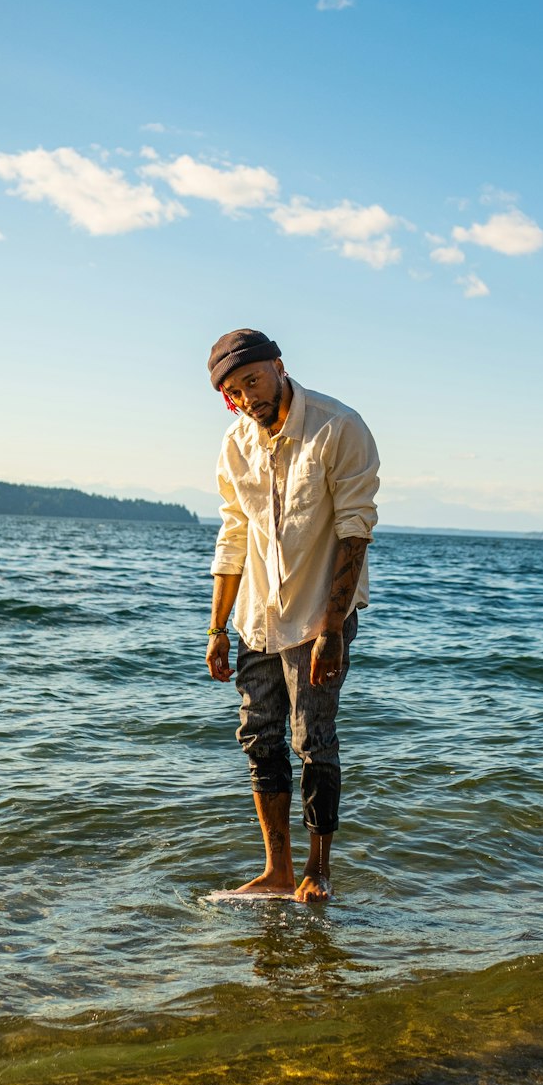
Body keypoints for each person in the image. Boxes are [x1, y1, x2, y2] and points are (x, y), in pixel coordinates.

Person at [205, 328, 380, 903]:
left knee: (314, 739)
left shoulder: (338, 426)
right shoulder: (235, 445)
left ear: (279, 367)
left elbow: (356, 529)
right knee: (259, 738)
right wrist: (217, 627)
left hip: (317, 617)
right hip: (256, 615)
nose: (246, 398)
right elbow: (233, 535)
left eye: (252, 380)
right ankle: (276, 870)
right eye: (232, 392)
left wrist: (332, 630)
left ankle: (318, 870)